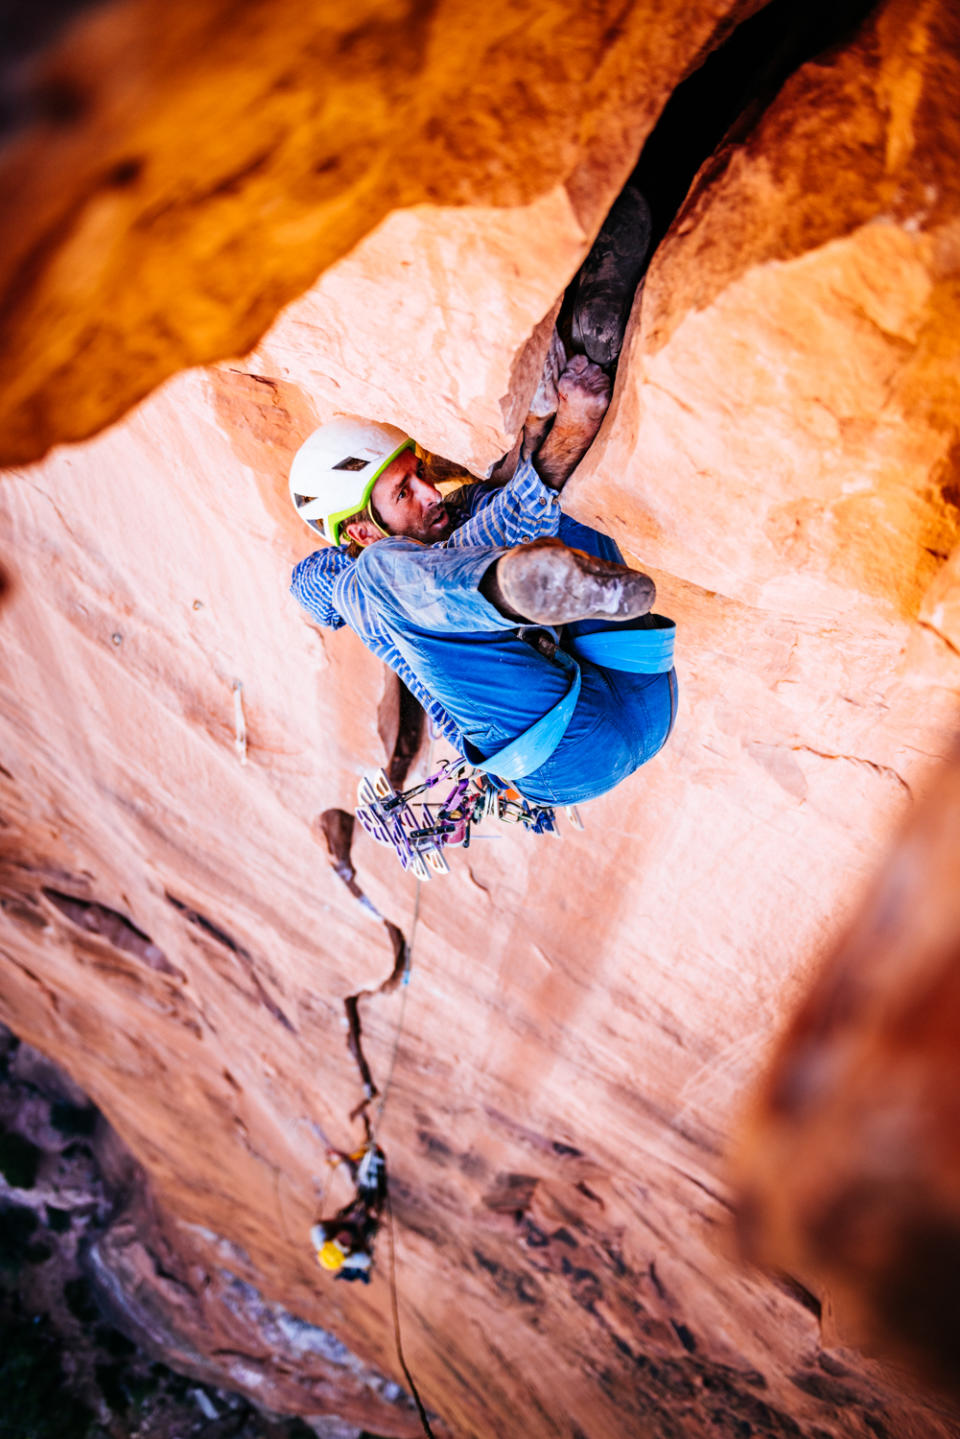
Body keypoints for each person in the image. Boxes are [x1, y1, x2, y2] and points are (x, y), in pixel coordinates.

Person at [289, 198, 676, 811]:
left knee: (523, 499)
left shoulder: (455, 514)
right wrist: (554, 444)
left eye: (418, 475)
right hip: (563, 752)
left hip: (633, 674)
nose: (428, 494)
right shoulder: (362, 575)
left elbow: (500, 493)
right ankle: (522, 581)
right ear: (360, 531)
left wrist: (541, 422)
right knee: (393, 572)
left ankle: (595, 331)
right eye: (402, 494)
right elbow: (310, 586)